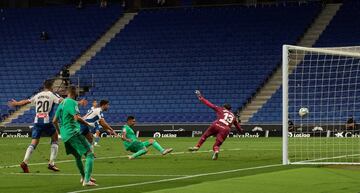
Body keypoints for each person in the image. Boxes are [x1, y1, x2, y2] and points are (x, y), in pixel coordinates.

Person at [8, 80, 61, 173]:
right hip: (47, 121)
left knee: (34, 142)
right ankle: (51, 163)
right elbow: (62, 101)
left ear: (44, 86)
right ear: (51, 86)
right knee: (55, 138)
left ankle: (25, 162)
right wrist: (77, 103)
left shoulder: (38, 95)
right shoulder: (52, 94)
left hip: (37, 121)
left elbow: (27, 101)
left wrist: (16, 103)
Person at [53, 86, 97, 186]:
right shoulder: (71, 102)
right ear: (74, 92)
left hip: (65, 135)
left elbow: (54, 121)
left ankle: (83, 177)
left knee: (77, 157)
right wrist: (88, 124)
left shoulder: (62, 103)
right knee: (89, 154)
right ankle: (87, 180)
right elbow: (76, 118)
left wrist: (60, 132)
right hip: (73, 132)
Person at [189, 90, 243, 160]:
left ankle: (197, 146)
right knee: (216, 145)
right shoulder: (233, 116)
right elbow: (239, 129)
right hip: (225, 129)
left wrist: (201, 97)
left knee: (205, 135)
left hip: (216, 124)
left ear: (224, 107)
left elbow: (210, 104)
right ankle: (216, 151)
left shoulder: (221, 109)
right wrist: (240, 126)